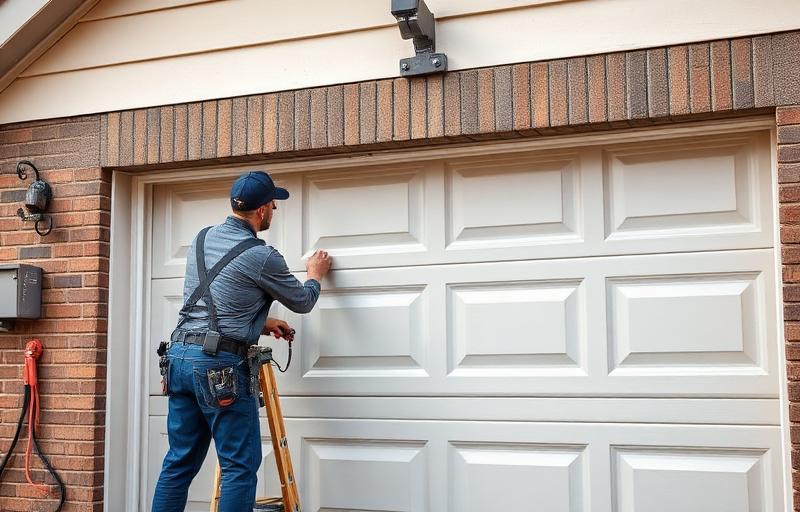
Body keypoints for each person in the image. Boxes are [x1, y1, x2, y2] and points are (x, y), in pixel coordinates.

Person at [151, 170, 332, 512]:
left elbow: (217, 303)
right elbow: (303, 302)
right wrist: (314, 274)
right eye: (274, 206)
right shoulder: (261, 255)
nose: (274, 213)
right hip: (218, 368)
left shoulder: (201, 239)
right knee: (239, 466)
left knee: (178, 462)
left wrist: (264, 324)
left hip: (179, 358)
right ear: (263, 210)